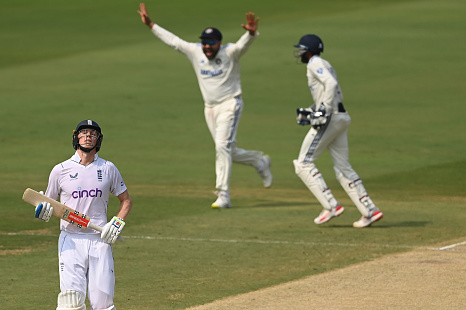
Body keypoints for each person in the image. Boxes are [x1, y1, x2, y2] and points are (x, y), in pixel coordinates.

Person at [137, 3, 272, 209]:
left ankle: (223, 194)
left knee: (221, 146)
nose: (207, 46)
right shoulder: (195, 52)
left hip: (230, 104)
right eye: (204, 42)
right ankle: (259, 161)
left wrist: (251, 35)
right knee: (227, 149)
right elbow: (174, 41)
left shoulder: (230, 53)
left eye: (211, 42)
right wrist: (151, 25)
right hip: (209, 108)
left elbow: (243, 45)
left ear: (219, 43)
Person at [33, 119, 132, 310]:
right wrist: (43, 212)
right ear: (76, 137)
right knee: (71, 303)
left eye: (93, 134)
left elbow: (125, 200)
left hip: (100, 240)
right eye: (84, 133)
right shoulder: (61, 170)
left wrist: (117, 223)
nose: (88, 137)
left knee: (103, 305)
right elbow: (49, 203)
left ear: (99, 139)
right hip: (71, 241)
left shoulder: (108, 168)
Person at [292, 34, 383, 227]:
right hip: (341, 116)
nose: (300, 53)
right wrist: (313, 109)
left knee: (303, 164)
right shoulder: (324, 62)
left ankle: (331, 205)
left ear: (309, 51)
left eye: (302, 49)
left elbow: (330, 85)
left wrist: (323, 109)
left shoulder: (314, 63)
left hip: (331, 118)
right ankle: (369, 210)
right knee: (343, 168)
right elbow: (330, 90)